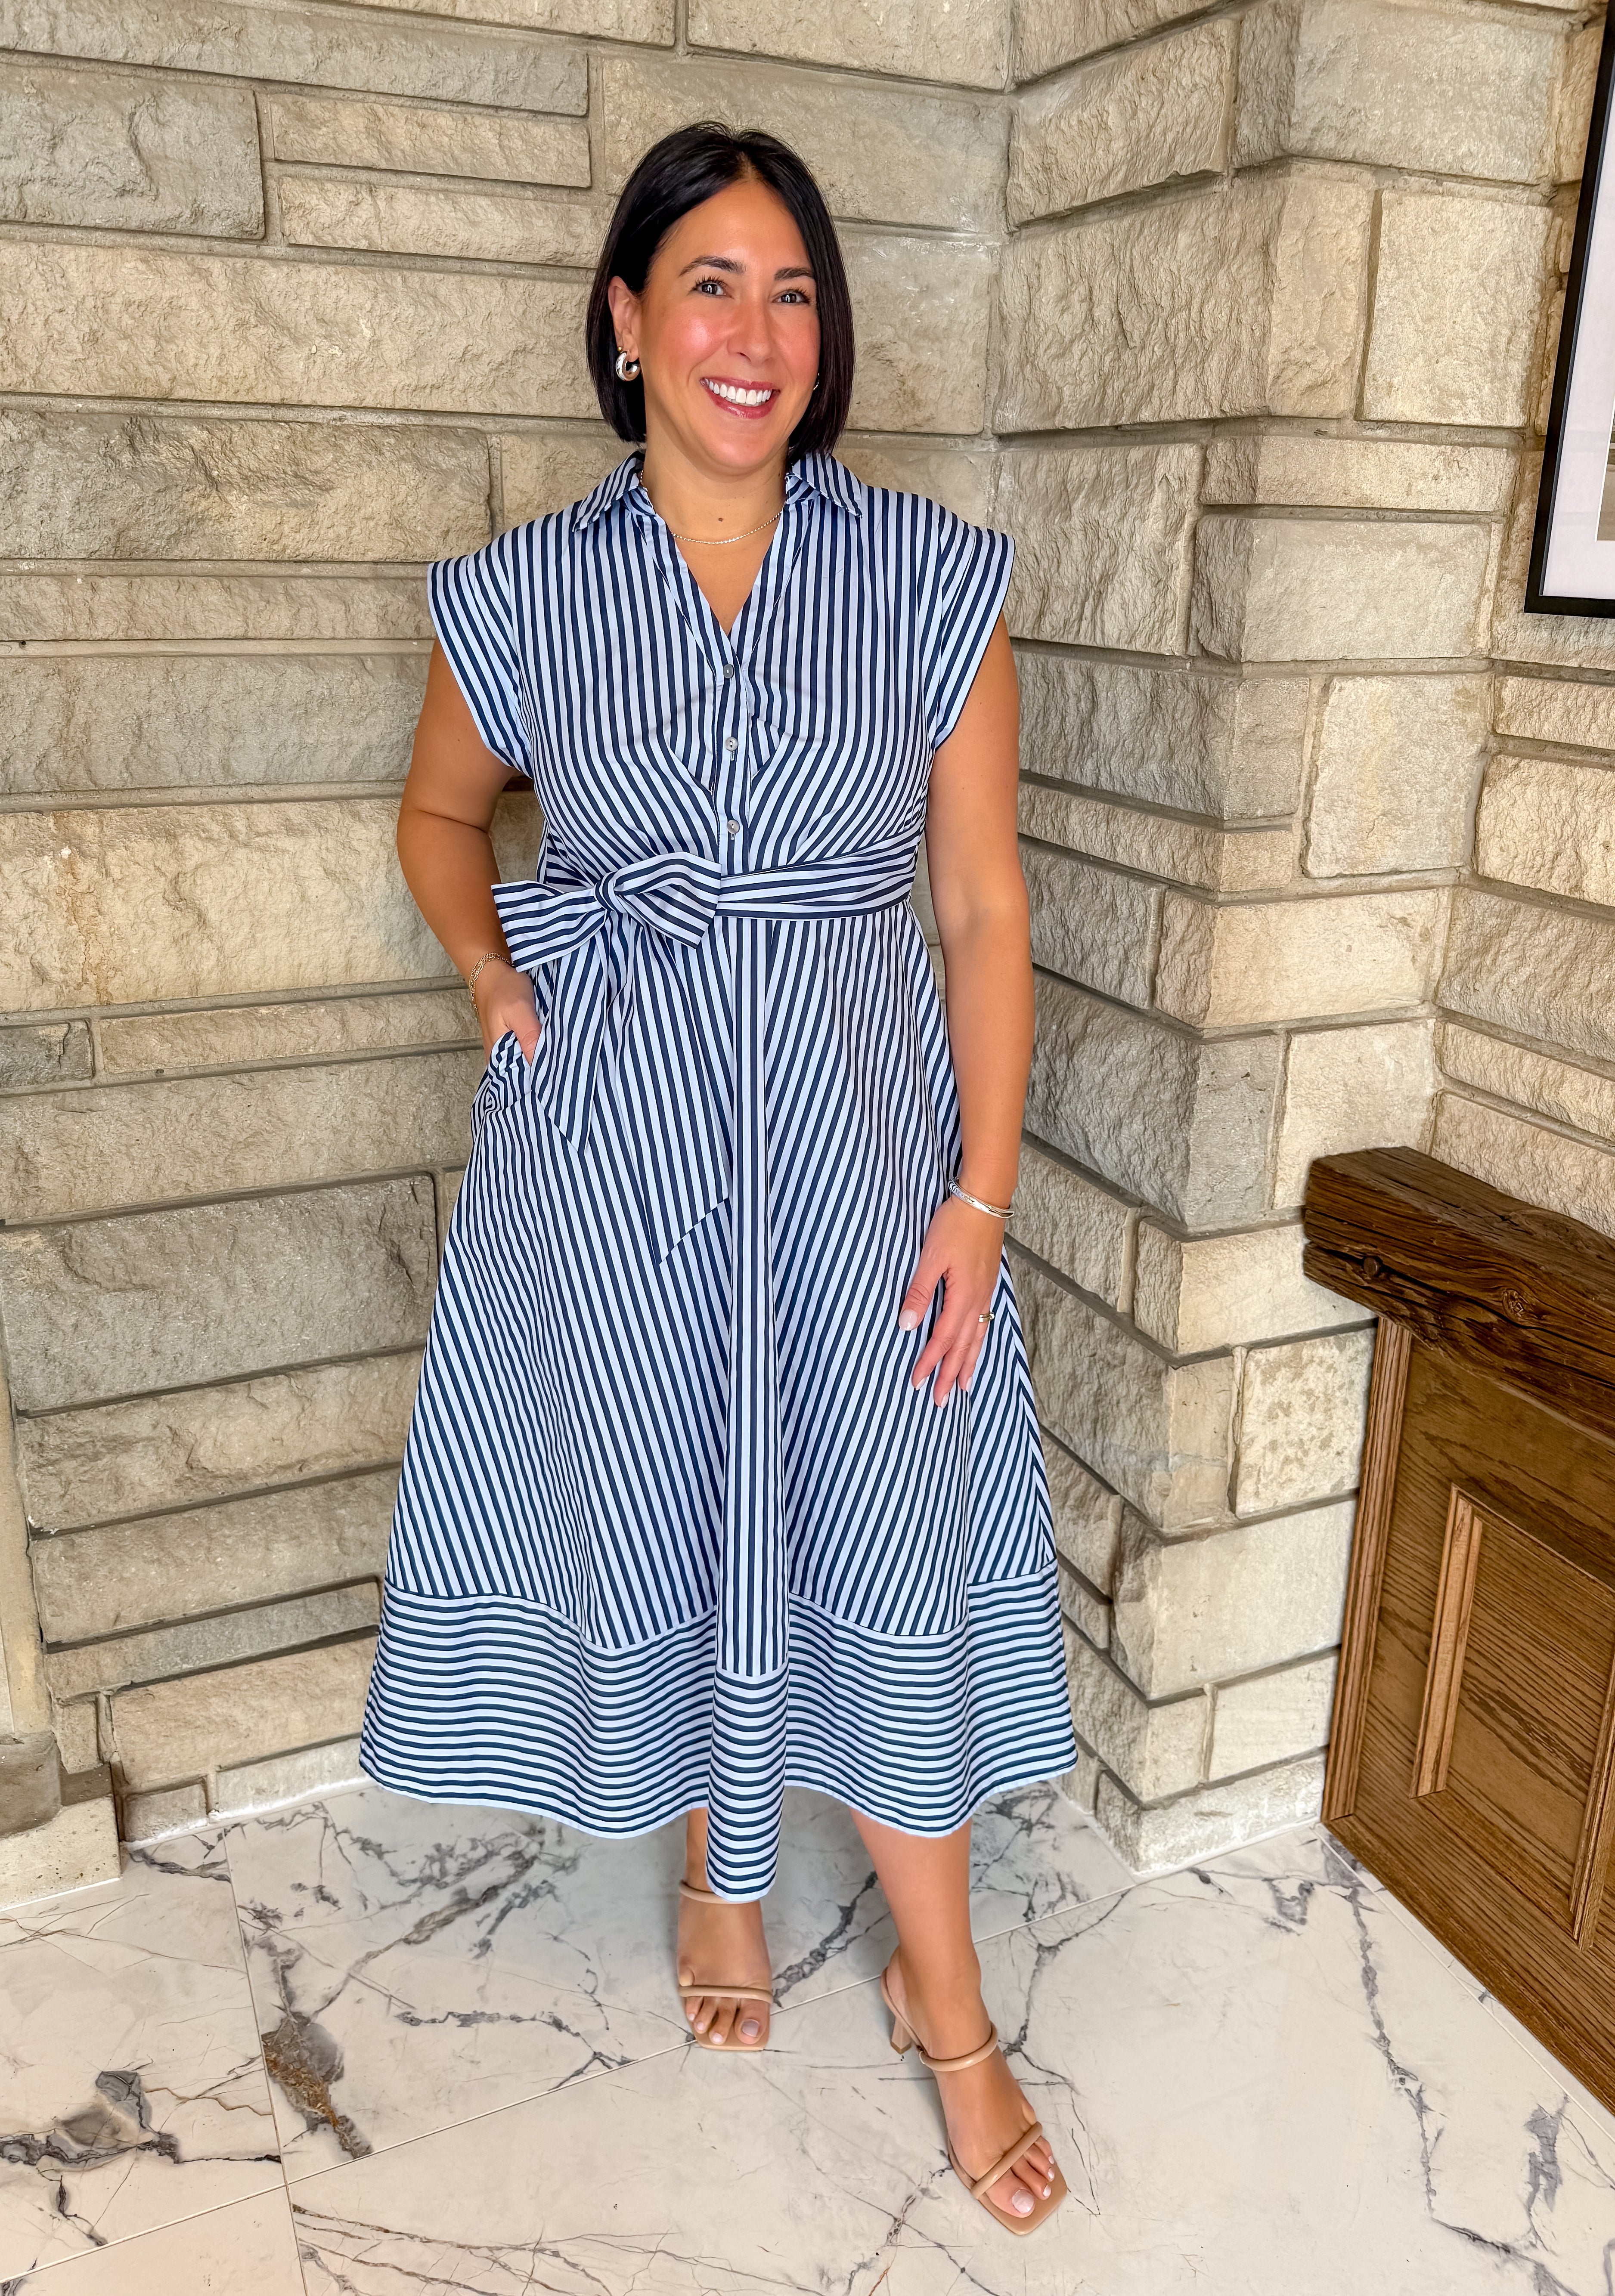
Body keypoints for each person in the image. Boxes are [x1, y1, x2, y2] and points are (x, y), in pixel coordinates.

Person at [357, 121, 1076, 2236]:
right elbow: (431, 817)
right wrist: (496, 970)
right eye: (708, 285)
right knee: (668, 1491)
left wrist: (978, 1195)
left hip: (863, 1154)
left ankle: (948, 1999)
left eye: (790, 291)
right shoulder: (515, 593)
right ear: (624, 320)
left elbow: (978, 910)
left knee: (883, 1517)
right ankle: (716, 1869)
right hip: (621, 1143)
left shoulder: (930, 577)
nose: (754, 332)